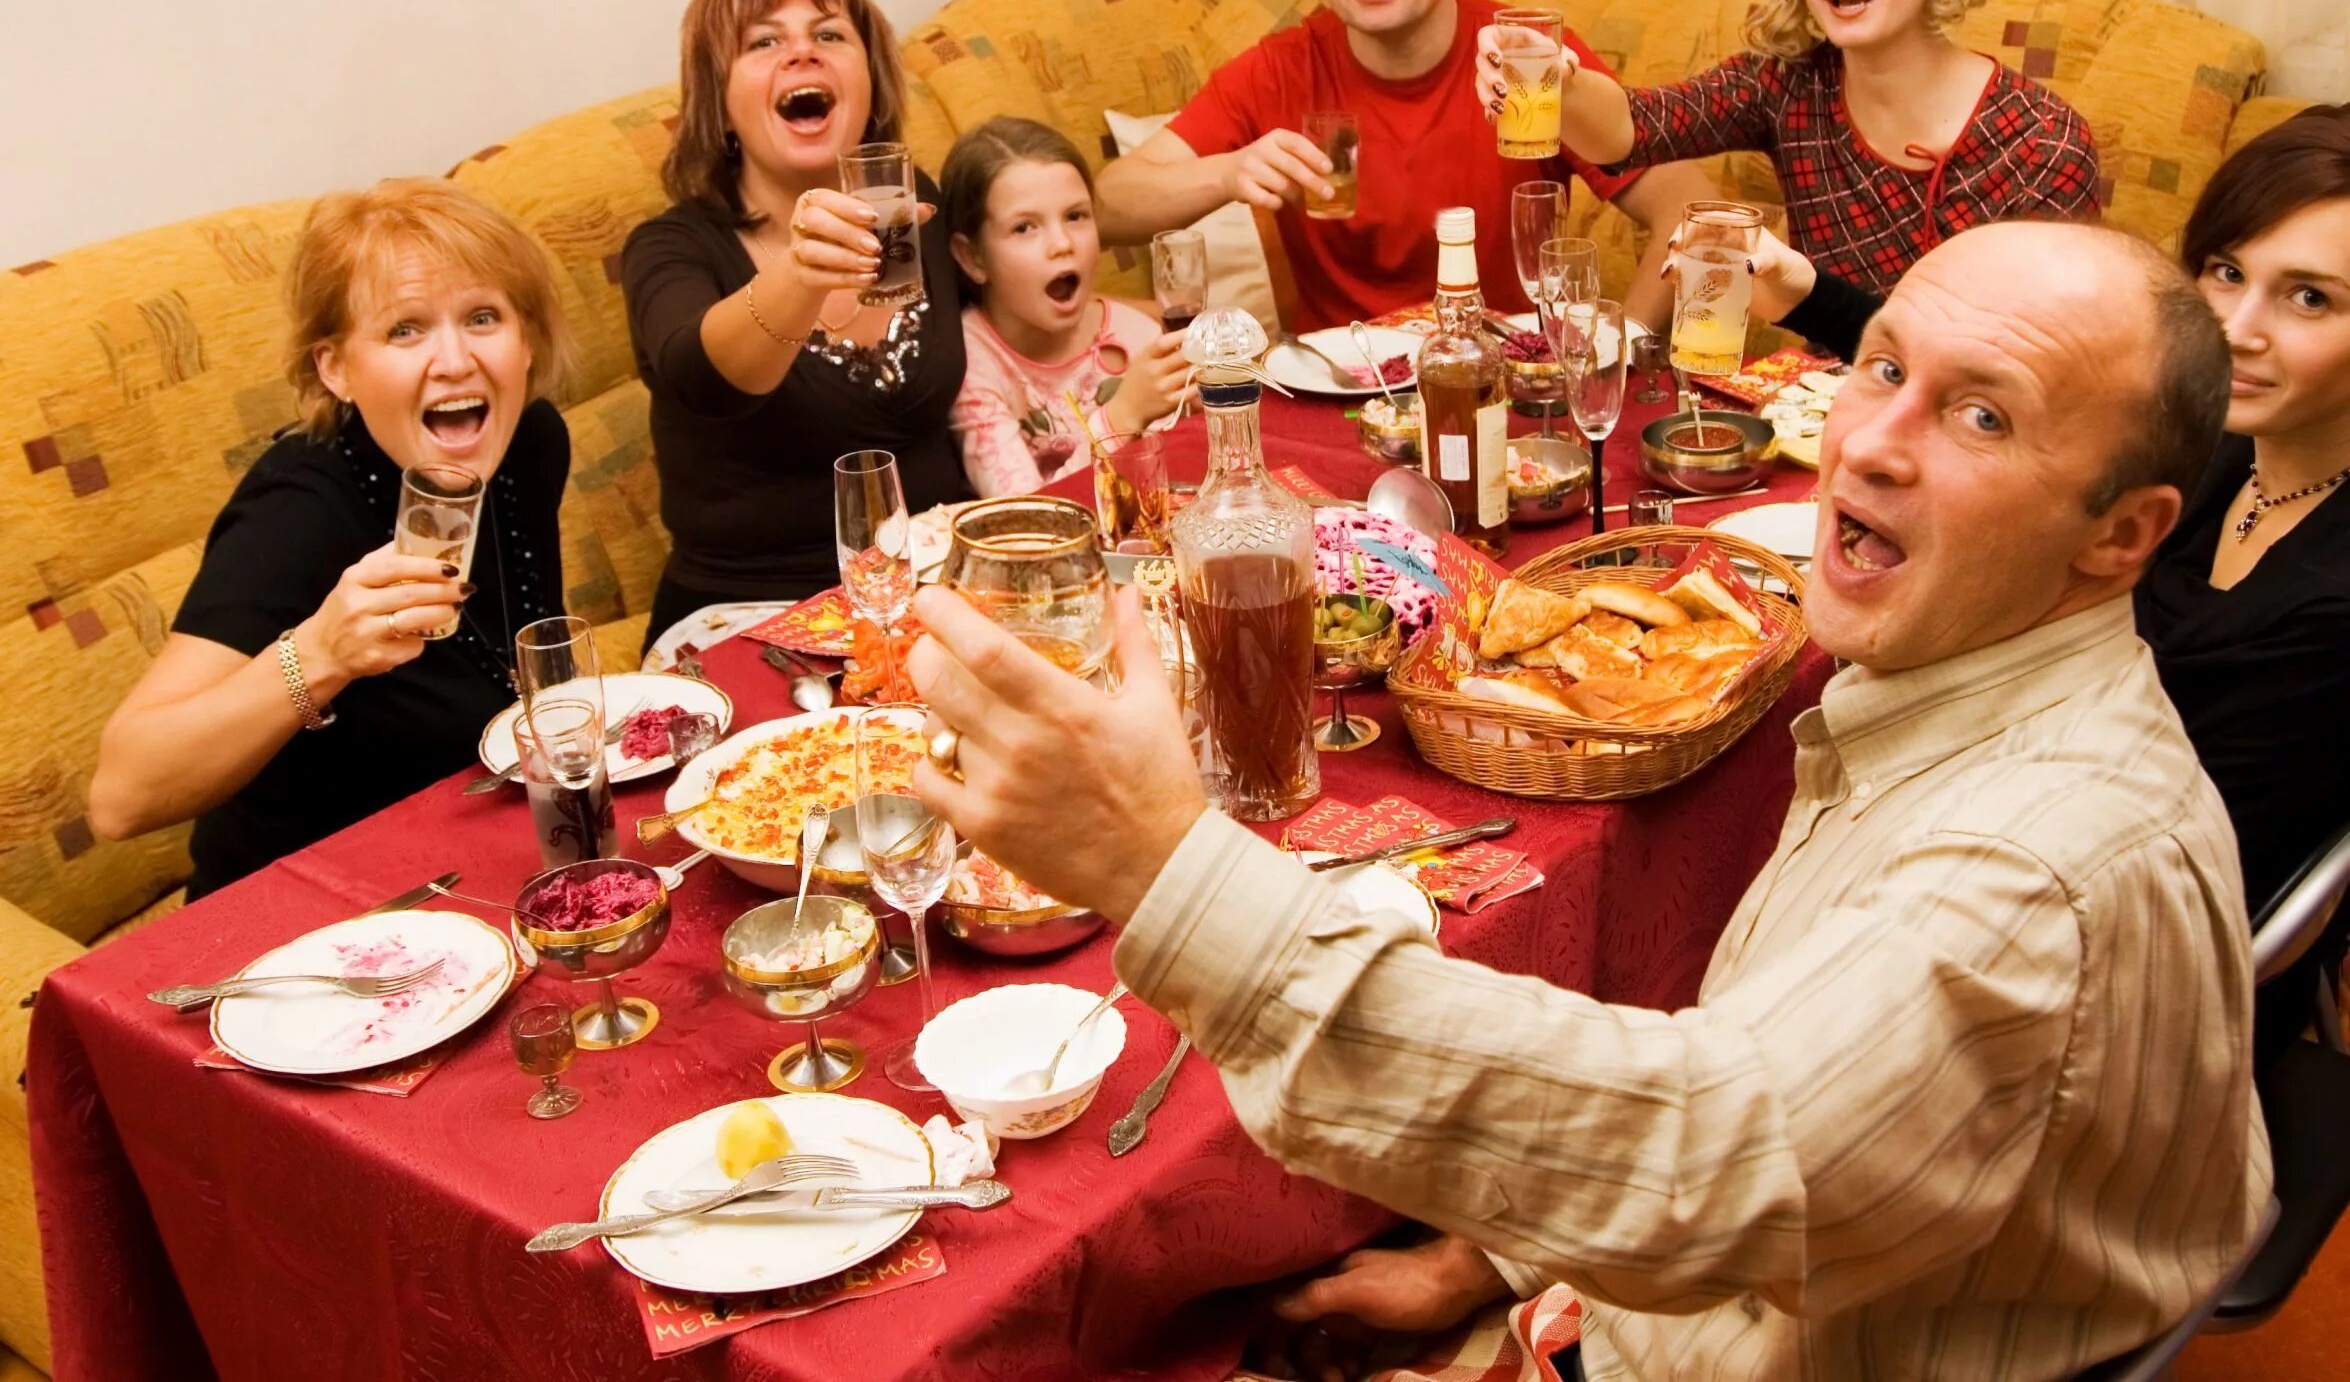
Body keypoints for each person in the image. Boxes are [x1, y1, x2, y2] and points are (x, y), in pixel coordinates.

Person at [903, 221, 2269, 1379]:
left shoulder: (2032, 864)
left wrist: (1160, 863)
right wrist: (1483, 1261)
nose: (1870, 445)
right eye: (1882, 366)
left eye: (1981, 414)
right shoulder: (1954, 686)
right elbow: (1801, 1080)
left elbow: (1706, 1151)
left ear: (2122, 531)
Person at [1738, 109, 2350, 1046]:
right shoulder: (2234, 446)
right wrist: (1815, 294)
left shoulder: (2326, 602)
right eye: (2226, 273)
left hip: (2119, 995)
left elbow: (2135, 862)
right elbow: (1994, 382)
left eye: (2309, 299)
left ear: (2134, 525)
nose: (2237, 329)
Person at [88, 180, 576, 898]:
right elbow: (121, 794)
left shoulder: (528, 444)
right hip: (302, 916)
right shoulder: (301, 508)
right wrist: (319, 654)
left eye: (482, 317)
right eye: (405, 329)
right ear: (335, 367)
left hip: (465, 865)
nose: (454, 360)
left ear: (525, 341)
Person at [1096, 0, 1714, 332]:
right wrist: (1226, 173)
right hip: (1338, 402)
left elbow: (1696, 210)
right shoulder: (1282, 69)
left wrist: (1614, 358)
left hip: (1504, 398)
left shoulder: (1522, 56)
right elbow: (1109, 206)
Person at [1477, 0, 2102, 296]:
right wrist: (1556, 77)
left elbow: (2039, 370)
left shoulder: (2039, 145)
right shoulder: (1788, 85)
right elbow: (1632, 130)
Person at [621, 0, 968, 638]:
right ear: (719, 102)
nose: (802, 53)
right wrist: (799, 274)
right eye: (763, 41)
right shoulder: (670, 248)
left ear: (869, 87)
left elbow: (1012, 305)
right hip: (753, 621)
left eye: (830, 34)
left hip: (933, 592)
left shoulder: (909, 202)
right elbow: (701, 376)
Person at [939, 117, 1193, 495]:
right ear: (972, 257)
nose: (1062, 243)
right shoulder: (969, 361)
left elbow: (1178, 481)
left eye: (1075, 216)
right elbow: (1027, 513)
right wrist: (1122, 415)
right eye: (1024, 227)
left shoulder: (1138, 335)